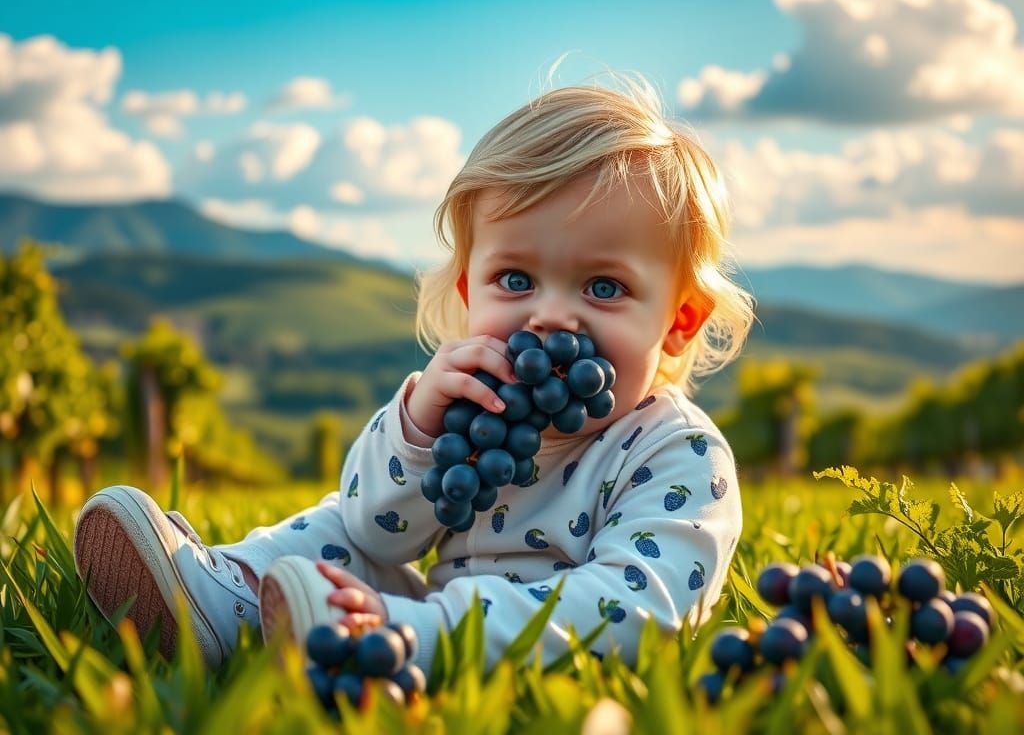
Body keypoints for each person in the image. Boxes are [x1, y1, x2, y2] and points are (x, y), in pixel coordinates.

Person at [73, 73, 755, 672]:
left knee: (521, 611)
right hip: (424, 618)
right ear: (468, 293)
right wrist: (415, 431)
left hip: (525, 646)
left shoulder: (677, 454)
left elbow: (641, 609)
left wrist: (415, 629)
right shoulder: (472, 411)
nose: (550, 317)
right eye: (514, 279)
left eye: (603, 288)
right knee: (336, 527)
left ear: (679, 320)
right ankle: (225, 599)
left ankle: (357, 640)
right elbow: (375, 532)